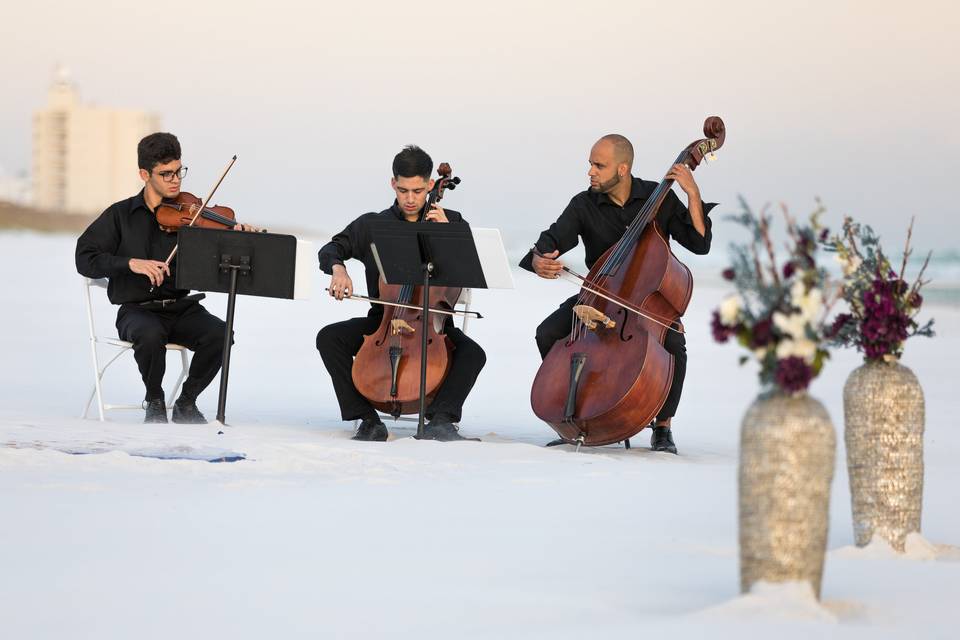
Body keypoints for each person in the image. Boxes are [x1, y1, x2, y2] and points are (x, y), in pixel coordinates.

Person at [520, 134, 716, 454]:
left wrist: (692, 193)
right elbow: (545, 246)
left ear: (622, 169)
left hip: (641, 305)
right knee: (548, 332)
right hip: (597, 296)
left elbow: (699, 244)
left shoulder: (658, 197)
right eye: (590, 165)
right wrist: (539, 261)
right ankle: (573, 412)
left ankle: (662, 427)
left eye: (599, 165)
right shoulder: (583, 204)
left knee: (673, 344)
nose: (591, 172)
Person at [75, 132, 257, 424]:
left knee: (221, 334)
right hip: (137, 310)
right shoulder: (120, 215)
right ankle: (155, 400)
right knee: (149, 334)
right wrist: (130, 263)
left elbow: (217, 265)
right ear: (144, 174)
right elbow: (84, 258)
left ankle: (187, 402)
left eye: (179, 171)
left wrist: (236, 237)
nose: (175, 180)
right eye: (166, 173)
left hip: (181, 307)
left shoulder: (194, 217)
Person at [316, 145, 486, 442]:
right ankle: (366, 419)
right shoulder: (373, 224)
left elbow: (472, 268)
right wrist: (338, 269)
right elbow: (331, 248)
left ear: (431, 185)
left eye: (418, 191)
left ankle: (442, 420)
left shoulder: (452, 221)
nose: (410, 199)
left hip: (433, 324)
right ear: (393, 183)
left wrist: (449, 237)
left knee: (474, 354)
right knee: (329, 337)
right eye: (404, 190)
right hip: (384, 319)